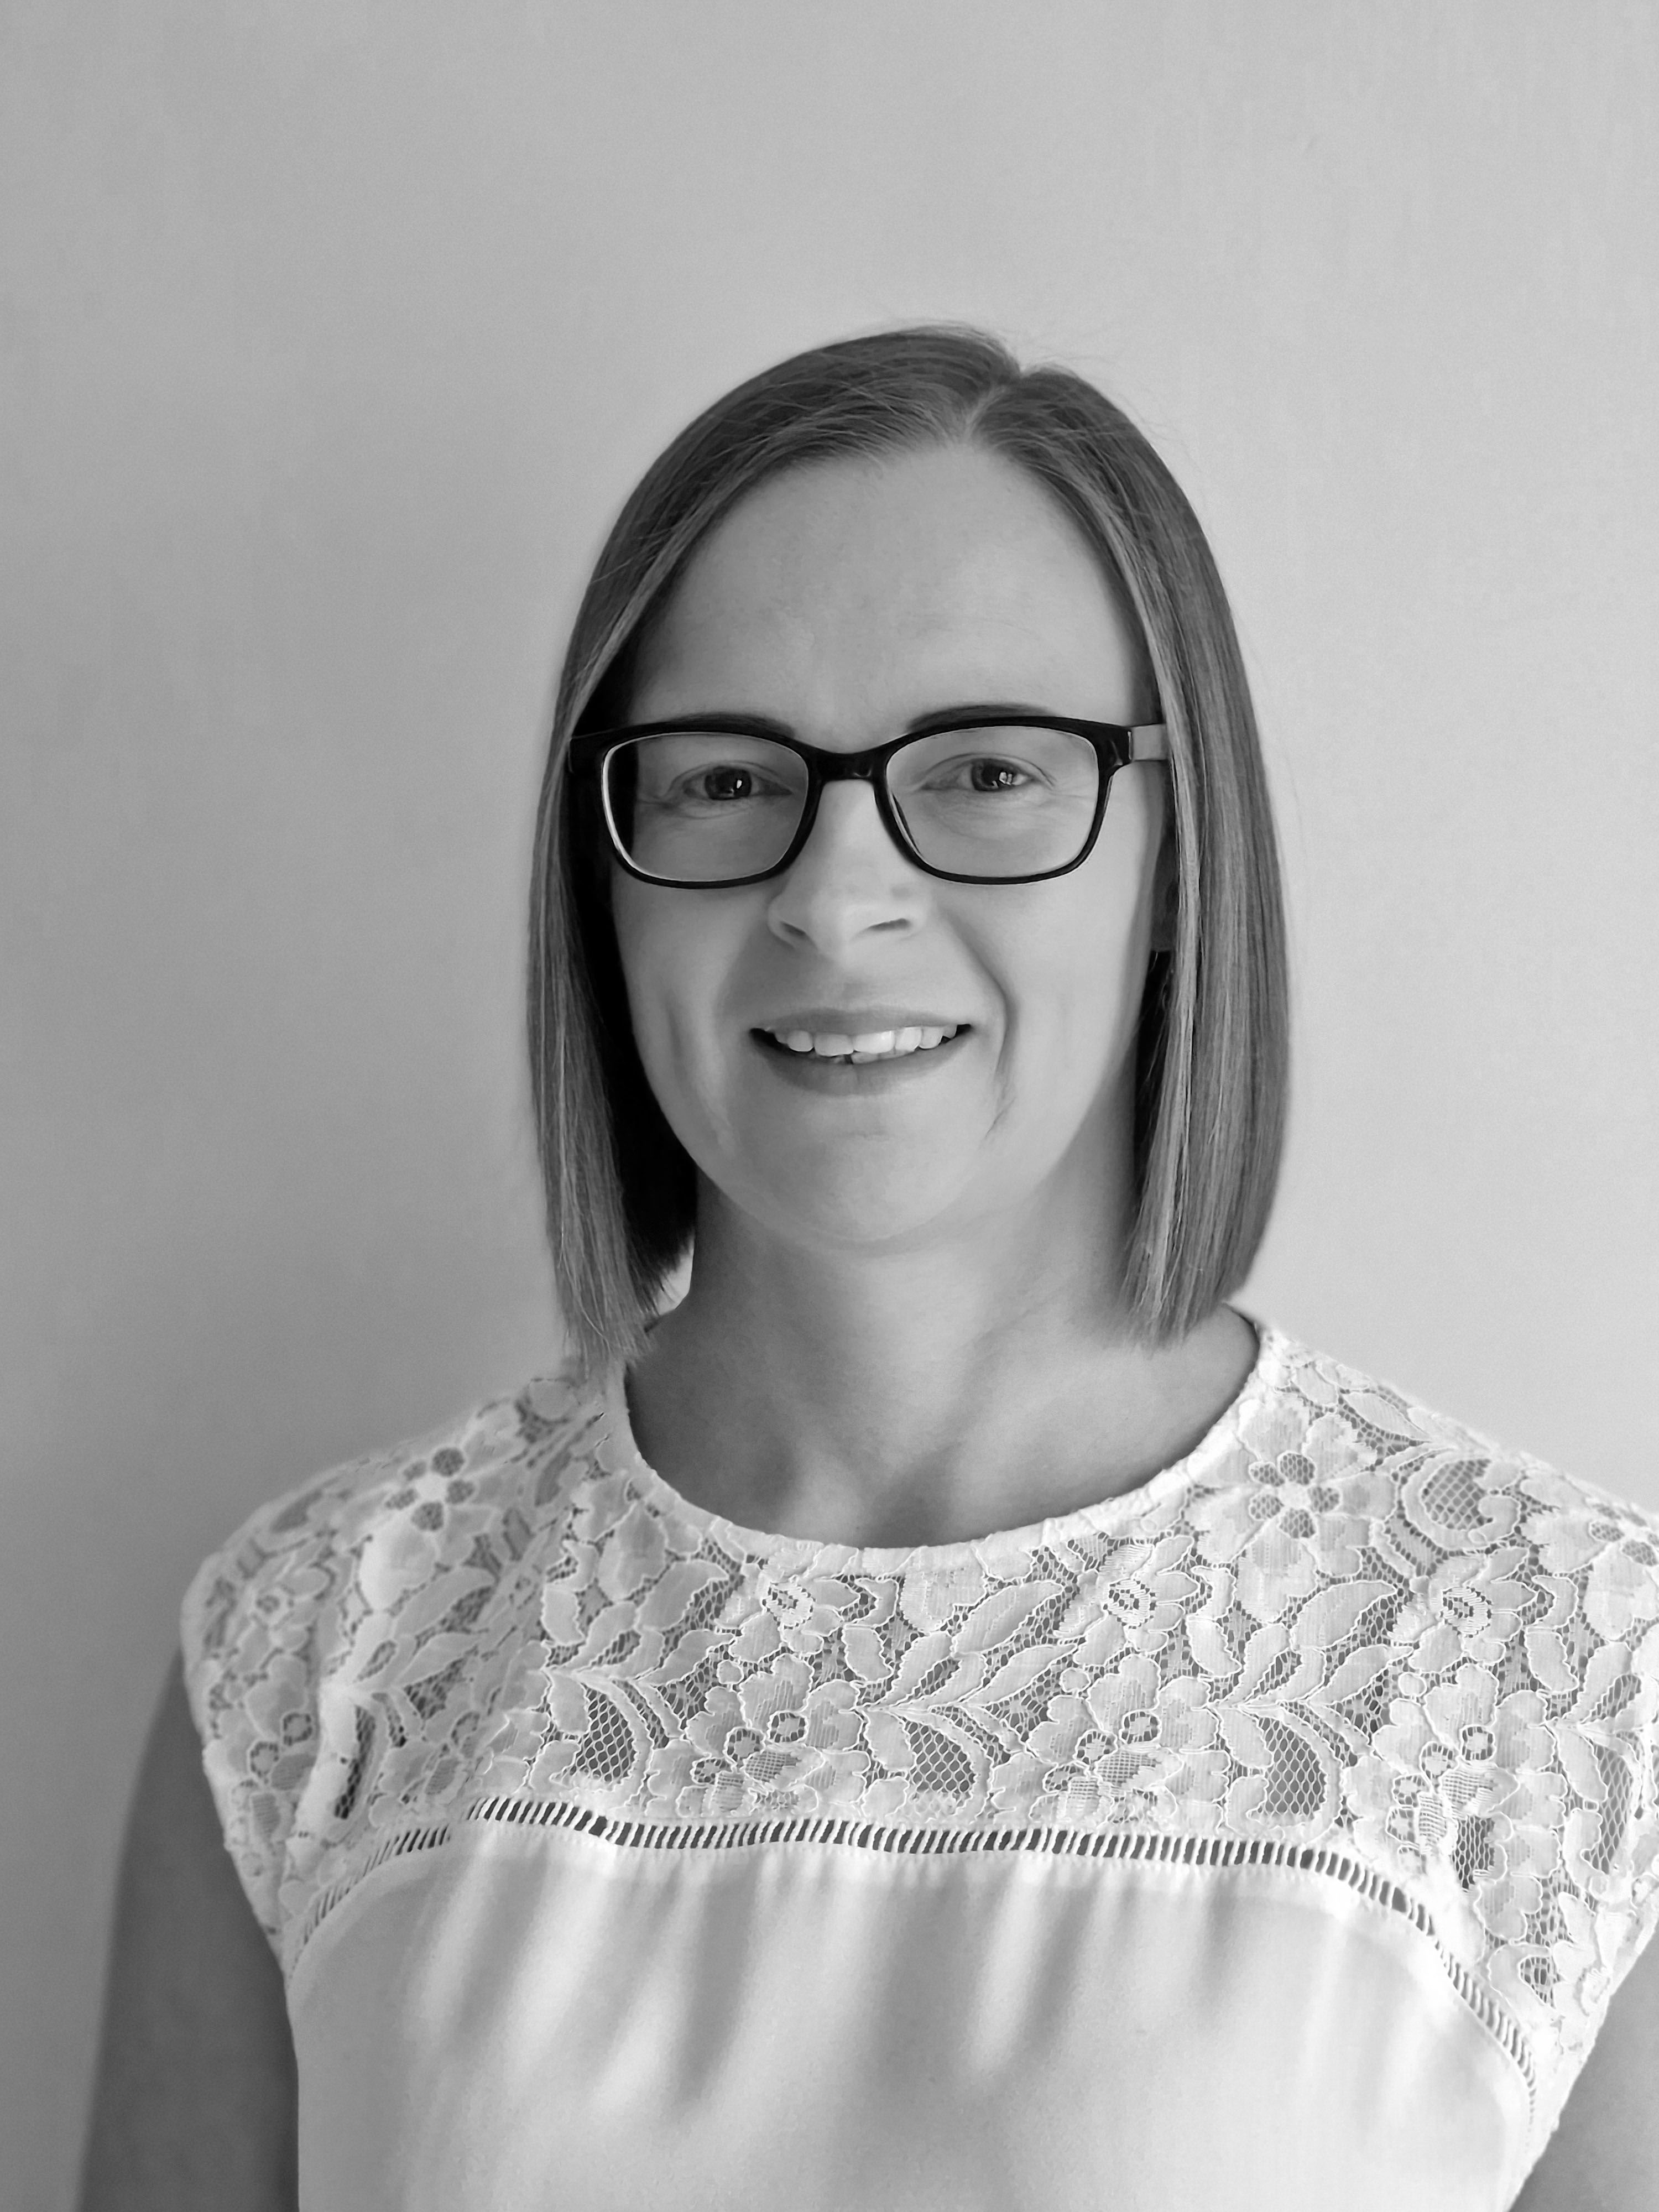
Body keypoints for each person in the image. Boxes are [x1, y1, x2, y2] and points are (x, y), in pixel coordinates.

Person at [80, 328, 1659, 2211]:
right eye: (727, 781)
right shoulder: (311, 1657)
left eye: (990, 769)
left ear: (1178, 867)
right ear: (607, 872)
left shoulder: (1576, 1691)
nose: (837, 899)